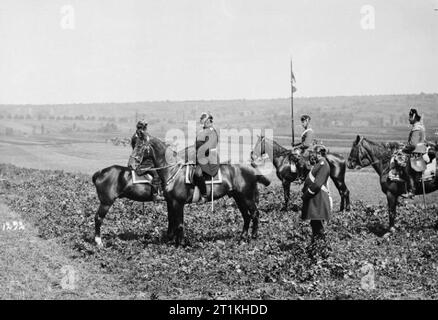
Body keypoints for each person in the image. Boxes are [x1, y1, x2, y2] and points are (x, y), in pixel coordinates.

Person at [301, 145, 332, 249]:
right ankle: (315, 248)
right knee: (314, 225)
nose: (314, 155)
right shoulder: (319, 164)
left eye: (316, 153)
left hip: (318, 200)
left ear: (320, 154)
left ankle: (322, 250)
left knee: (318, 227)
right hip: (315, 199)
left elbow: (317, 184)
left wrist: (306, 194)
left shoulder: (323, 165)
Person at [128, 120, 164, 201]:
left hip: (139, 159)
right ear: (144, 127)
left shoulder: (137, 135)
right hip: (141, 162)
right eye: (145, 127)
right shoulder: (140, 137)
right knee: (156, 174)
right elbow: (141, 150)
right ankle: (155, 195)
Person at [395, 108, 426, 198]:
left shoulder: (416, 128)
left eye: (409, 117)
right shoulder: (419, 126)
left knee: (405, 168)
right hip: (418, 150)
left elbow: (413, 145)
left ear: (413, 117)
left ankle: (411, 190)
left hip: (416, 152)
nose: (408, 119)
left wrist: (403, 149)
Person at [194, 112, 219, 203]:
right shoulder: (201, 132)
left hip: (209, 157)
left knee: (197, 173)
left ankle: (204, 195)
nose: (203, 122)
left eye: (205, 120)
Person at [292, 115, 315, 181]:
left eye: (303, 122)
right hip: (304, 149)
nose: (302, 124)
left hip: (308, 150)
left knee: (298, 158)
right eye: (302, 122)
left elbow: (306, 144)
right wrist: (295, 144)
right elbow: (303, 142)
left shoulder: (309, 131)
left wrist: (297, 147)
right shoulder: (306, 131)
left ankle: (301, 177)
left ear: (307, 122)